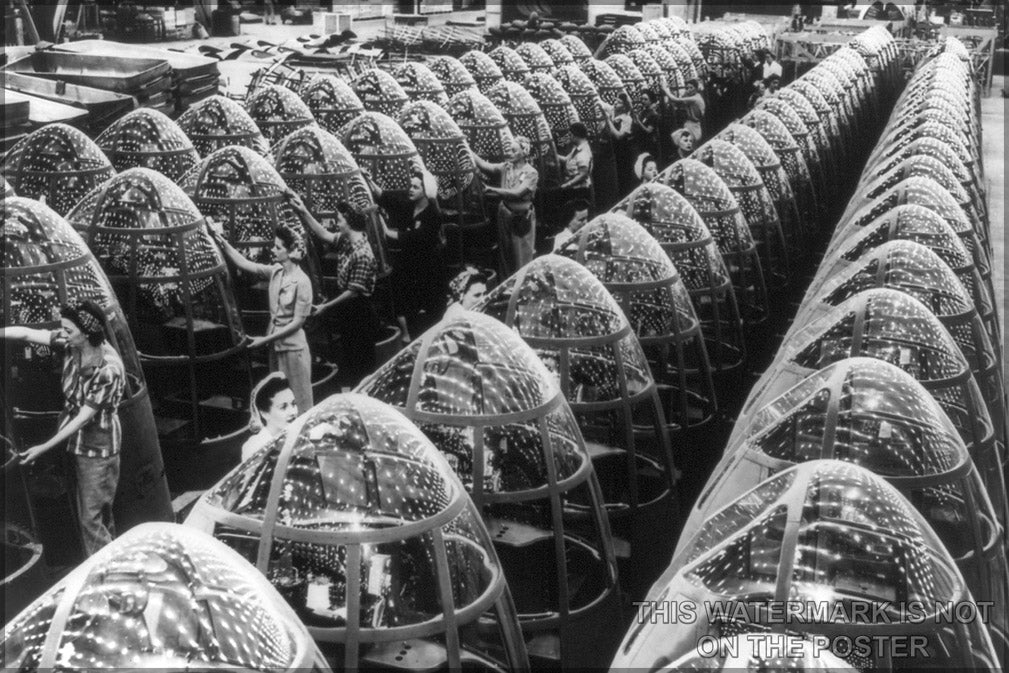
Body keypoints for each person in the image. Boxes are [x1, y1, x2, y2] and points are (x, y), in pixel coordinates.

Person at [2, 301, 125, 556]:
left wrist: (42, 448)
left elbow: (83, 418)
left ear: (87, 333)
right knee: (97, 513)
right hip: (77, 443)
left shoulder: (108, 369)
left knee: (91, 520)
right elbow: (26, 334)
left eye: (69, 330)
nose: (63, 334)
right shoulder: (72, 344)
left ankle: (102, 569)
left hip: (98, 449)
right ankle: (112, 557)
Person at [209, 220, 315, 415]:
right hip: (275, 348)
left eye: (278, 247)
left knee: (300, 403)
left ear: (290, 251)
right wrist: (220, 240)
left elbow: (297, 323)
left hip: (294, 351)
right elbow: (244, 263)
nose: (273, 250)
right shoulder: (276, 272)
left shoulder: (303, 282)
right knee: (280, 401)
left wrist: (264, 340)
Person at [293, 193, 380, 386]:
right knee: (349, 354)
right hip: (349, 308)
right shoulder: (347, 240)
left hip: (360, 311)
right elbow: (324, 234)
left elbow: (353, 292)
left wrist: (326, 306)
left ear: (349, 223)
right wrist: (303, 211)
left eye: (339, 220)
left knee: (361, 359)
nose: (336, 223)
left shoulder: (362, 253)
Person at [363, 169, 447, 343]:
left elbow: (415, 237)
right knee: (401, 296)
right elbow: (386, 198)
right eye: (410, 185)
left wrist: (386, 230)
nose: (411, 189)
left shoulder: (433, 214)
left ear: (425, 191)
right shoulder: (409, 205)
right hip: (408, 261)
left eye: (416, 187)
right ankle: (407, 335)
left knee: (429, 304)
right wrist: (368, 179)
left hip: (427, 265)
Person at [472, 136, 539, 274]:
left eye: (514, 150)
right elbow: (484, 166)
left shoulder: (531, 173)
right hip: (504, 214)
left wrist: (492, 190)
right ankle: (506, 282)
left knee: (521, 254)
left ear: (524, 153)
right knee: (505, 253)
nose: (509, 153)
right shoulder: (506, 167)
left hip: (521, 218)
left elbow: (518, 193)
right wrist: (466, 148)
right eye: (509, 150)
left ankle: (521, 282)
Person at [242, 372, 298, 461]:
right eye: (283, 407)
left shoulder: (298, 432)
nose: (293, 412)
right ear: (265, 414)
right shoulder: (254, 447)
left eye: (294, 404)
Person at [558, 122, 594, 208]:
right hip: (575, 189)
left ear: (576, 135)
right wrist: (553, 155)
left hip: (580, 191)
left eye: (571, 135)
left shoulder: (583, 152)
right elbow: (566, 159)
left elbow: (583, 174)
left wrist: (568, 184)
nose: (570, 137)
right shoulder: (577, 148)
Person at [606, 96, 636, 198]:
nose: (615, 103)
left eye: (619, 102)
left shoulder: (627, 119)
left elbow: (619, 136)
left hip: (624, 151)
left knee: (624, 176)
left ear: (624, 106)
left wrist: (608, 121)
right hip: (615, 150)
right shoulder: (614, 115)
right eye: (615, 101)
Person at [665, 79, 706, 143]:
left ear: (696, 88)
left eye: (691, 87)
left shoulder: (695, 98)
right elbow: (678, 103)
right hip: (690, 124)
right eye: (687, 88)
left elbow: (675, 99)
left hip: (694, 126)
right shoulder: (693, 96)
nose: (689, 90)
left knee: (684, 142)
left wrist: (665, 89)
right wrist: (686, 92)